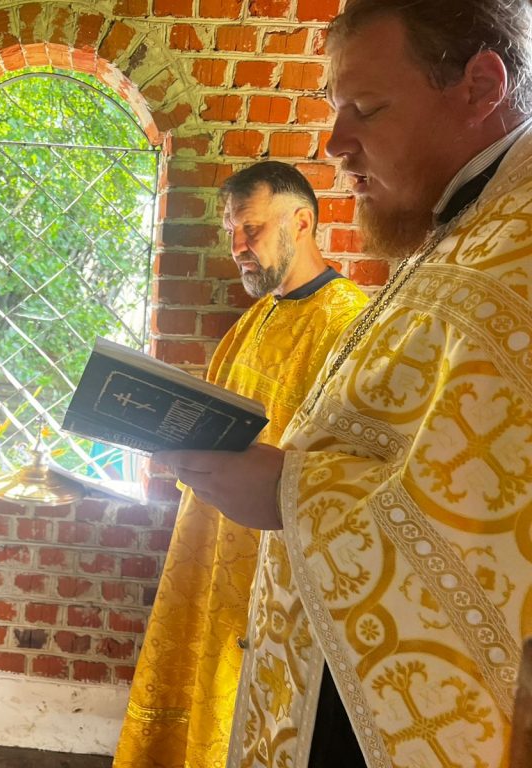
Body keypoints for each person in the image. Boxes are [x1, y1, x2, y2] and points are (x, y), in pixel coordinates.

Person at [156, 2, 532, 766]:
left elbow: (493, 524)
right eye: (336, 106)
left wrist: (286, 491)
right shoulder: (464, 231)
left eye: (367, 107)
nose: (334, 143)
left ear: (481, 86)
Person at [114, 162, 368, 768]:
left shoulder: (349, 324)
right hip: (212, 540)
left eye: (250, 228)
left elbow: (341, 467)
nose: (238, 247)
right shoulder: (258, 317)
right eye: (231, 232)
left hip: (273, 564)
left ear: (300, 221)